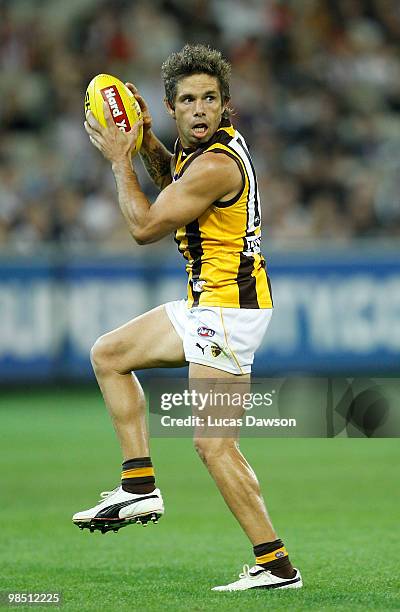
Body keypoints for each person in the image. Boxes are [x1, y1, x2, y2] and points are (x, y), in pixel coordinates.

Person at [73, 44, 302, 592]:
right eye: (188, 100)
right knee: (109, 354)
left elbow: (145, 226)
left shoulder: (217, 165)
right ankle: (139, 484)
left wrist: (119, 158)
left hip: (227, 312)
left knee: (214, 445)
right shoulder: (198, 154)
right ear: (172, 109)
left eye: (211, 98)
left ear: (226, 106)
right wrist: (148, 141)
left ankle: (276, 567)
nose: (201, 109)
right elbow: (171, 175)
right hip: (213, 305)